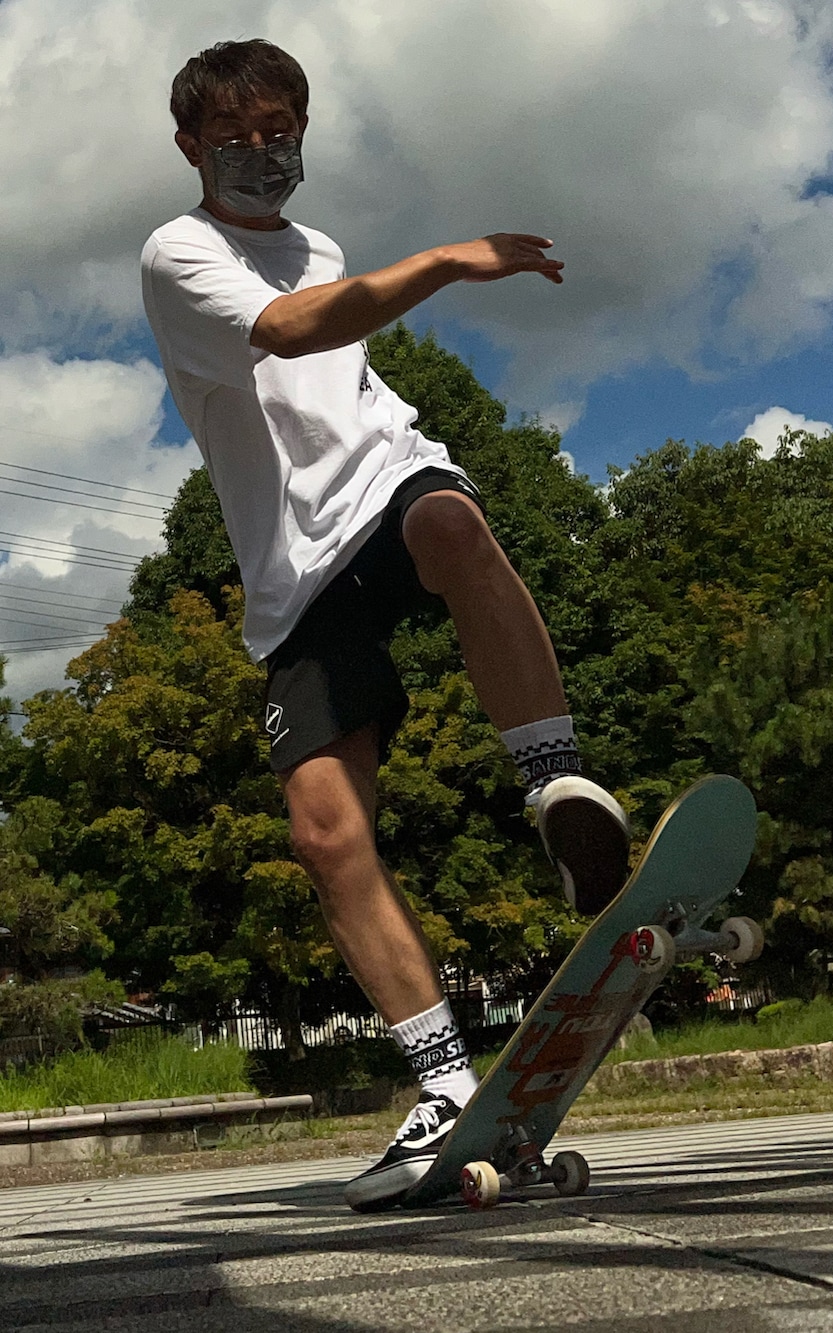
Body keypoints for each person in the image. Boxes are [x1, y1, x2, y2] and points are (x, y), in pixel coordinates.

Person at [142, 38, 630, 1210]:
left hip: (384, 487)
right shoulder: (179, 253)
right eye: (235, 135)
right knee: (324, 835)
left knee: (454, 525)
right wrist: (448, 262)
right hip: (290, 578)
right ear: (191, 146)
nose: (261, 153)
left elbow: (335, 328)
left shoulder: (323, 243)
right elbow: (296, 329)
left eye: (279, 131)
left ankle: (553, 785)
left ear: (300, 134)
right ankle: (442, 1086)